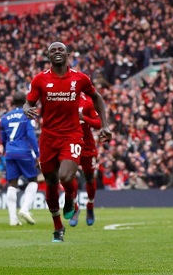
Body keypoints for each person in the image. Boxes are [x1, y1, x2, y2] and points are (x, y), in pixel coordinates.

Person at [24, 41, 112, 243]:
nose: (57, 53)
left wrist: (105, 125)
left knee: (65, 175)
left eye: (60, 50)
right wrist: (26, 108)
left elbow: (97, 97)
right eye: (53, 50)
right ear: (48, 56)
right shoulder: (40, 80)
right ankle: (57, 227)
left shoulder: (79, 78)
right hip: (48, 137)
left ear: (67, 54)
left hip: (72, 135)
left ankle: (72, 198)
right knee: (51, 184)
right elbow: (29, 102)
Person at [0, 91, 40, 226]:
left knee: (12, 183)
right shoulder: (26, 115)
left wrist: (9, 151)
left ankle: (13, 219)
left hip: (10, 152)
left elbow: (3, 140)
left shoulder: (5, 117)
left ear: (12, 102)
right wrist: (38, 154)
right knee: (33, 180)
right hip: (24, 151)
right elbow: (31, 136)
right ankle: (24, 209)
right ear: (26, 102)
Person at [70, 93, 102, 227]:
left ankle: (90, 205)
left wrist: (84, 118)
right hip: (71, 144)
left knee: (89, 178)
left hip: (87, 147)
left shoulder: (87, 102)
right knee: (69, 176)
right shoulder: (62, 98)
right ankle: (75, 207)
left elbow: (99, 124)